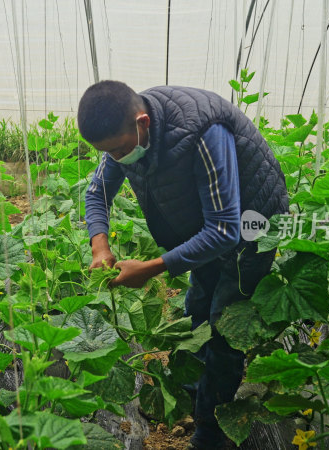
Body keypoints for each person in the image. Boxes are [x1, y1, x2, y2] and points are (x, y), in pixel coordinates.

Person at [78, 80, 289, 449]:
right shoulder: (125, 140)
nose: (114, 158)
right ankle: (195, 392)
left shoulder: (205, 133)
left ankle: (210, 432)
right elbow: (97, 192)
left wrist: (151, 268)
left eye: (118, 150)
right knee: (198, 308)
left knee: (224, 328)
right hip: (209, 224)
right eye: (105, 153)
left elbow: (225, 231)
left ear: (142, 123)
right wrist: (100, 245)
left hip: (253, 228)